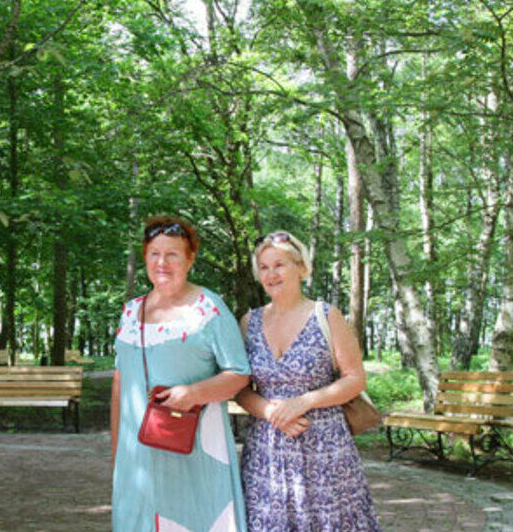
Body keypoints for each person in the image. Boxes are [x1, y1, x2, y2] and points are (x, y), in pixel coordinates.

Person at [111, 215, 252, 532]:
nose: (162, 263)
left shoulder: (209, 308)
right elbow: (120, 386)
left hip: (196, 453)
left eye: (172, 254)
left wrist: (192, 394)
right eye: (154, 254)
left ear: (190, 259)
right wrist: (119, 455)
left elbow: (239, 374)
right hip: (138, 459)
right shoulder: (130, 312)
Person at [235, 230, 382, 532]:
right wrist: (270, 412)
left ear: (301, 268)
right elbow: (239, 389)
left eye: (280, 265)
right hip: (267, 452)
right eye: (264, 267)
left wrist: (303, 402)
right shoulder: (249, 323)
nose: (271, 274)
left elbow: (355, 379)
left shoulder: (326, 316)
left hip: (324, 450)